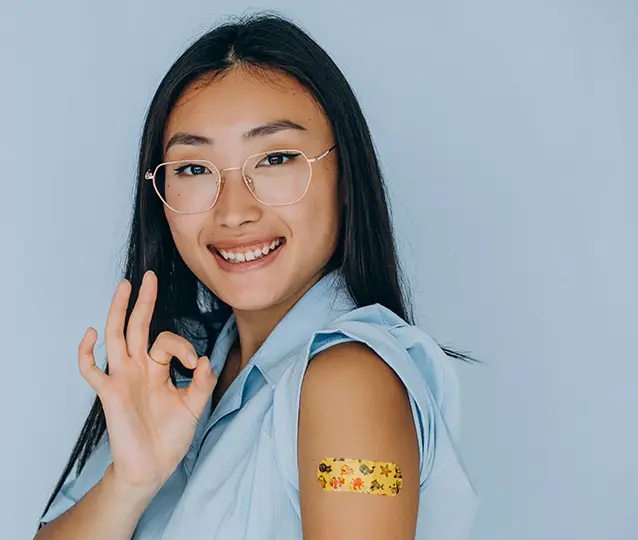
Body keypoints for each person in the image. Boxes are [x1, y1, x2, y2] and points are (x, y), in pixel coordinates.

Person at [35, 12, 477, 540]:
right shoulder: (177, 371)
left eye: (276, 158)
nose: (233, 211)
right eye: (194, 169)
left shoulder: (348, 385)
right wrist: (130, 481)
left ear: (345, 174)